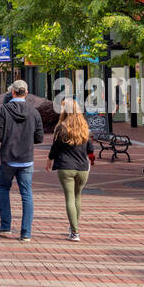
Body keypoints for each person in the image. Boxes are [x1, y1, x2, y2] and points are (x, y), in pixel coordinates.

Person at [0, 79, 43, 241]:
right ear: (26, 93)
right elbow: (39, 138)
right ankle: (26, 232)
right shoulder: (34, 112)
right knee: (26, 194)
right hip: (26, 158)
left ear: (12, 92)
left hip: (8, 157)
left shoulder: (3, 110)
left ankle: (6, 226)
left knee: (4, 189)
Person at [48, 98, 94, 241]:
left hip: (66, 167)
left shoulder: (61, 127)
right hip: (82, 168)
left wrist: (49, 160)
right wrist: (91, 160)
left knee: (69, 198)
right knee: (77, 197)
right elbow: (90, 149)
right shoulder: (84, 127)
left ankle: (75, 232)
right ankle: (74, 226)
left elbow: (55, 148)